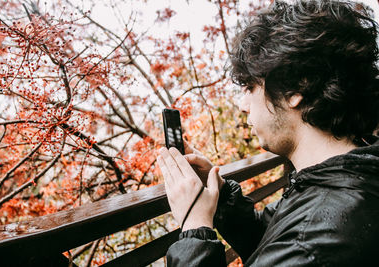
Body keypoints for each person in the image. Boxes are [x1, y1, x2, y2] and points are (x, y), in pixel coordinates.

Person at [156, 0, 379, 266]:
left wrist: (195, 227)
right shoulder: (337, 179)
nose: (242, 104)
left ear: (297, 88)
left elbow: (295, 245)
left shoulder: (315, 241)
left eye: (250, 87)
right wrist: (222, 198)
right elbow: (276, 241)